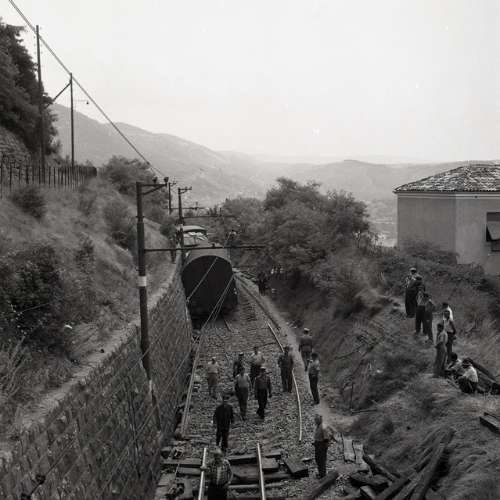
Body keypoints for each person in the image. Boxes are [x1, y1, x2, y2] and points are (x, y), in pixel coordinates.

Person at [313, 414, 330, 479]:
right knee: (317, 459)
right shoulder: (318, 426)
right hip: (318, 444)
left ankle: (323, 475)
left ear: (319, 420)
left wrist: (322, 447)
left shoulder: (323, 427)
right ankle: (320, 473)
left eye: (316, 420)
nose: (315, 421)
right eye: (315, 420)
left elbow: (326, 439)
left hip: (321, 445)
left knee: (321, 460)